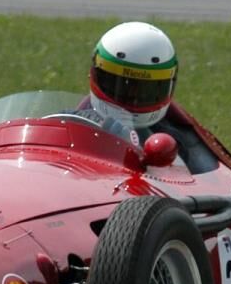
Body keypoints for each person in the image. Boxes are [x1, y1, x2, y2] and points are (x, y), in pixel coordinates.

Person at [81, 21, 223, 174]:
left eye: (146, 90)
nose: (133, 98)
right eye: (121, 86)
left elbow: (210, 183)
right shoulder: (75, 118)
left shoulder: (183, 140)